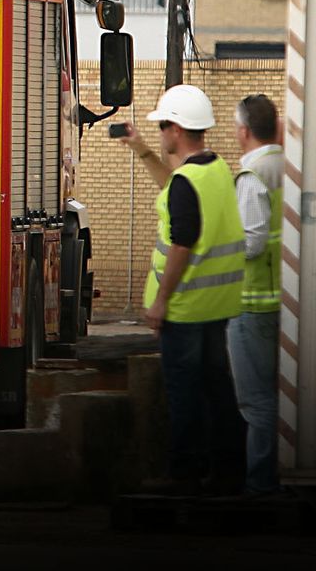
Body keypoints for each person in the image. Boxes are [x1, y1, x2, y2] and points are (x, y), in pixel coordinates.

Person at [115, 83, 246, 494]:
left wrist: (162, 301)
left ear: (176, 128)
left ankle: (184, 473)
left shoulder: (189, 182)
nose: (160, 134)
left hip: (186, 308)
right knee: (217, 389)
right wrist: (141, 149)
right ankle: (227, 470)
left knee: (184, 395)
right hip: (217, 305)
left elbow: (182, 244)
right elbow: (173, 187)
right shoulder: (215, 169)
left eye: (162, 127)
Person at [229, 93, 283, 495]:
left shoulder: (253, 175)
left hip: (253, 304)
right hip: (285, 301)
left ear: (244, 131)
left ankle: (260, 486)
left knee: (257, 402)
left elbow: (251, 242)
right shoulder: (291, 165)